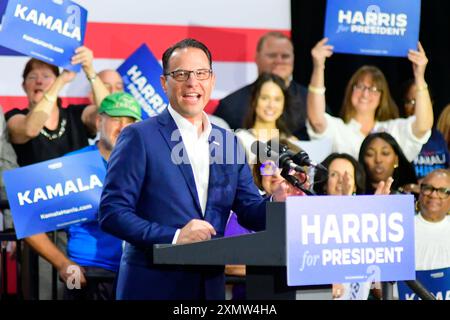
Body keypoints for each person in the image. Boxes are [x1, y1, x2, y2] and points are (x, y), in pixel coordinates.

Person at [98, 38, 295, 300]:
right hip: (151, 284)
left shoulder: (228, 141)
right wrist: (176, 236)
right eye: (181, 74)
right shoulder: (139, 136)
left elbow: (248, 209)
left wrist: (277, 200)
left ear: (212, 80)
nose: (192, 83)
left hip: (209, 287)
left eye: (201, 73)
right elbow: (112, 213)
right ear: (164, 83)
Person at [24, 92, 142, 300]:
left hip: (135, 273)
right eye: (116, 118)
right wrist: (63, 264)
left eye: (131, 121)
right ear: (98, 121)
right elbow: (26, 219)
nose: (123, 127)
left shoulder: (146, 164)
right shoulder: (72, 164)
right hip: (86, 275)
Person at [307, 38, 433, 162]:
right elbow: (317, 121)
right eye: (360, 86)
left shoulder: (394, 130)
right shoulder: (339, 130)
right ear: (350, 91)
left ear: (382, 97)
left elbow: (423, 126)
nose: (365, 94)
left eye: (373, 88)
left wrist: (419, 76)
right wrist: (318, 67)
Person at [5, 46, 109, 166]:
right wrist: (61, 80)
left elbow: (108, 112)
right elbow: (30, 130)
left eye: (46, 76)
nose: (39, 81)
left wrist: (90, 70)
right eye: (32, 77)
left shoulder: (75, 115)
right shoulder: (14, 117)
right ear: (24, 86)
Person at [214, 31, 309, 139]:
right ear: (256, 57)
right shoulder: (230, 106)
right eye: (272, 55)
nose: (279, 61)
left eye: (285, 56)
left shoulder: (311, 101)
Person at [236, 72, 298, 163]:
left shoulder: (292, 143)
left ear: (284, 104)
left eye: (277, 99)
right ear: (254, 100)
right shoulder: (240, 139)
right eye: (264, 98)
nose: (271, 105)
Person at [401, 80, 449, 192]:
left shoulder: (440, 137)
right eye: (410, 102)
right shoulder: (397, 138)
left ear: (430, 103)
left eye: (420, 101)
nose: (416, 108)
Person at [414, 169, 450, 270]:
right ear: (420, 192)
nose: (433, 195)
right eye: (428, 188)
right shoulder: (401, 228)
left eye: (443, 191)